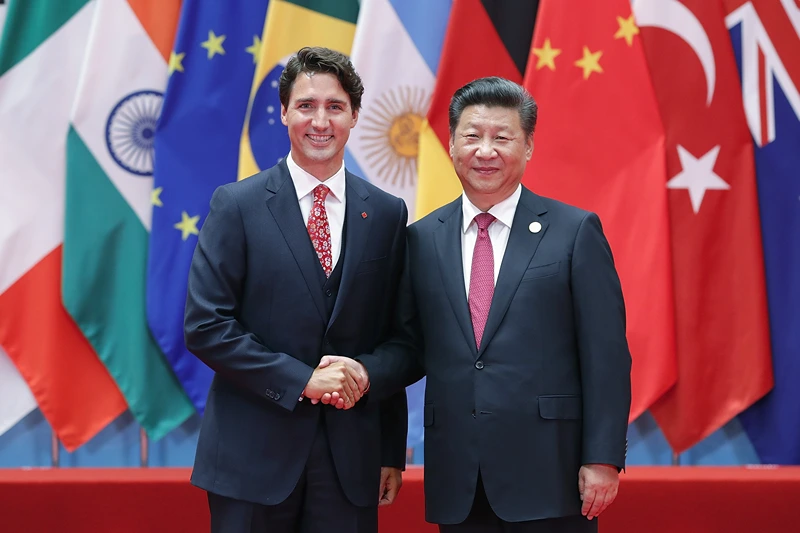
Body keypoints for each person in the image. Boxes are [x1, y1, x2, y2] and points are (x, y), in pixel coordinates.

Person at [323, 76, 632, 532]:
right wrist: (370, 393)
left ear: (527, 147)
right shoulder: (421, 239)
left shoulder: (574, 232)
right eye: (472, 136)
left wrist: (603, 457)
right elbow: (407, 347)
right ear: (450, 145)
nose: (485, 151)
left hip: (552, 474)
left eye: (501, 138)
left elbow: (606, 356)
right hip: (458, 477)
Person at [184, 46, 409, 533]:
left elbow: (402, 340)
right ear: (284, 112)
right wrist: (300, 380)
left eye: (335, 106)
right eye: (306, 105)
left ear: (353, 116)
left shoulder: (388, 214)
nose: (320, 120)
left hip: (351, 462)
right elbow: (206, 325)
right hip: (250, 458)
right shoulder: (237, 205)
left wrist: (389, 444)